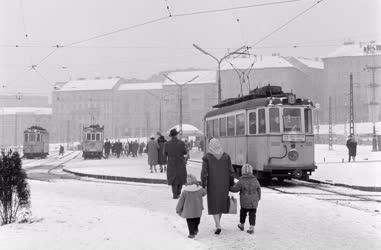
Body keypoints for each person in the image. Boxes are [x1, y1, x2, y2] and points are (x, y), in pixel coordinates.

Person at [201, 137, 234, 235]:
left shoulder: (207, 157)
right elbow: (231, 172)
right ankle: (218, 224)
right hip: (224, 184)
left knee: (214, 204)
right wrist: (231, 183)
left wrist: (204, 184)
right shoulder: (226, 156)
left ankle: (218, 225)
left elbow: (203, 173)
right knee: (221, 204)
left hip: (212, 184)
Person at [230, 163, 261, 235]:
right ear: (251, 171)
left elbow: (235, 189)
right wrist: (258, 198)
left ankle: (242, 225)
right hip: (254, 201)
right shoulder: (255, 179)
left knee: (243, 213)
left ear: (242, 171)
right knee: (252, 214)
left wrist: (229, 188)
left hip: (244, 201)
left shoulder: (241, 180)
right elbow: (258, 189)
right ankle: (251, 227)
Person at [176, 174, 207, 239]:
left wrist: (178, 209)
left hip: (188, 210)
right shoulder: (199, 189)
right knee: (197, 220)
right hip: (197, 209)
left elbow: (181, 201)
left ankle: (191, 233)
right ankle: (195, 229)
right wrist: (205, 188)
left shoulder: (185, 191)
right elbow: (204, 193)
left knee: (190, 222)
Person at [164, 128, 188, 199]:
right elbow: (185, 152)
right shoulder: (181, 143)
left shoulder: (167, 144)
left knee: (173, 178)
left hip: (171, 163)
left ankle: (175, 193)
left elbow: (164, 154)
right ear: (176, 135)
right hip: (180, 162)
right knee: (180, 177)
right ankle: (178, 192)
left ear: (171, 136)